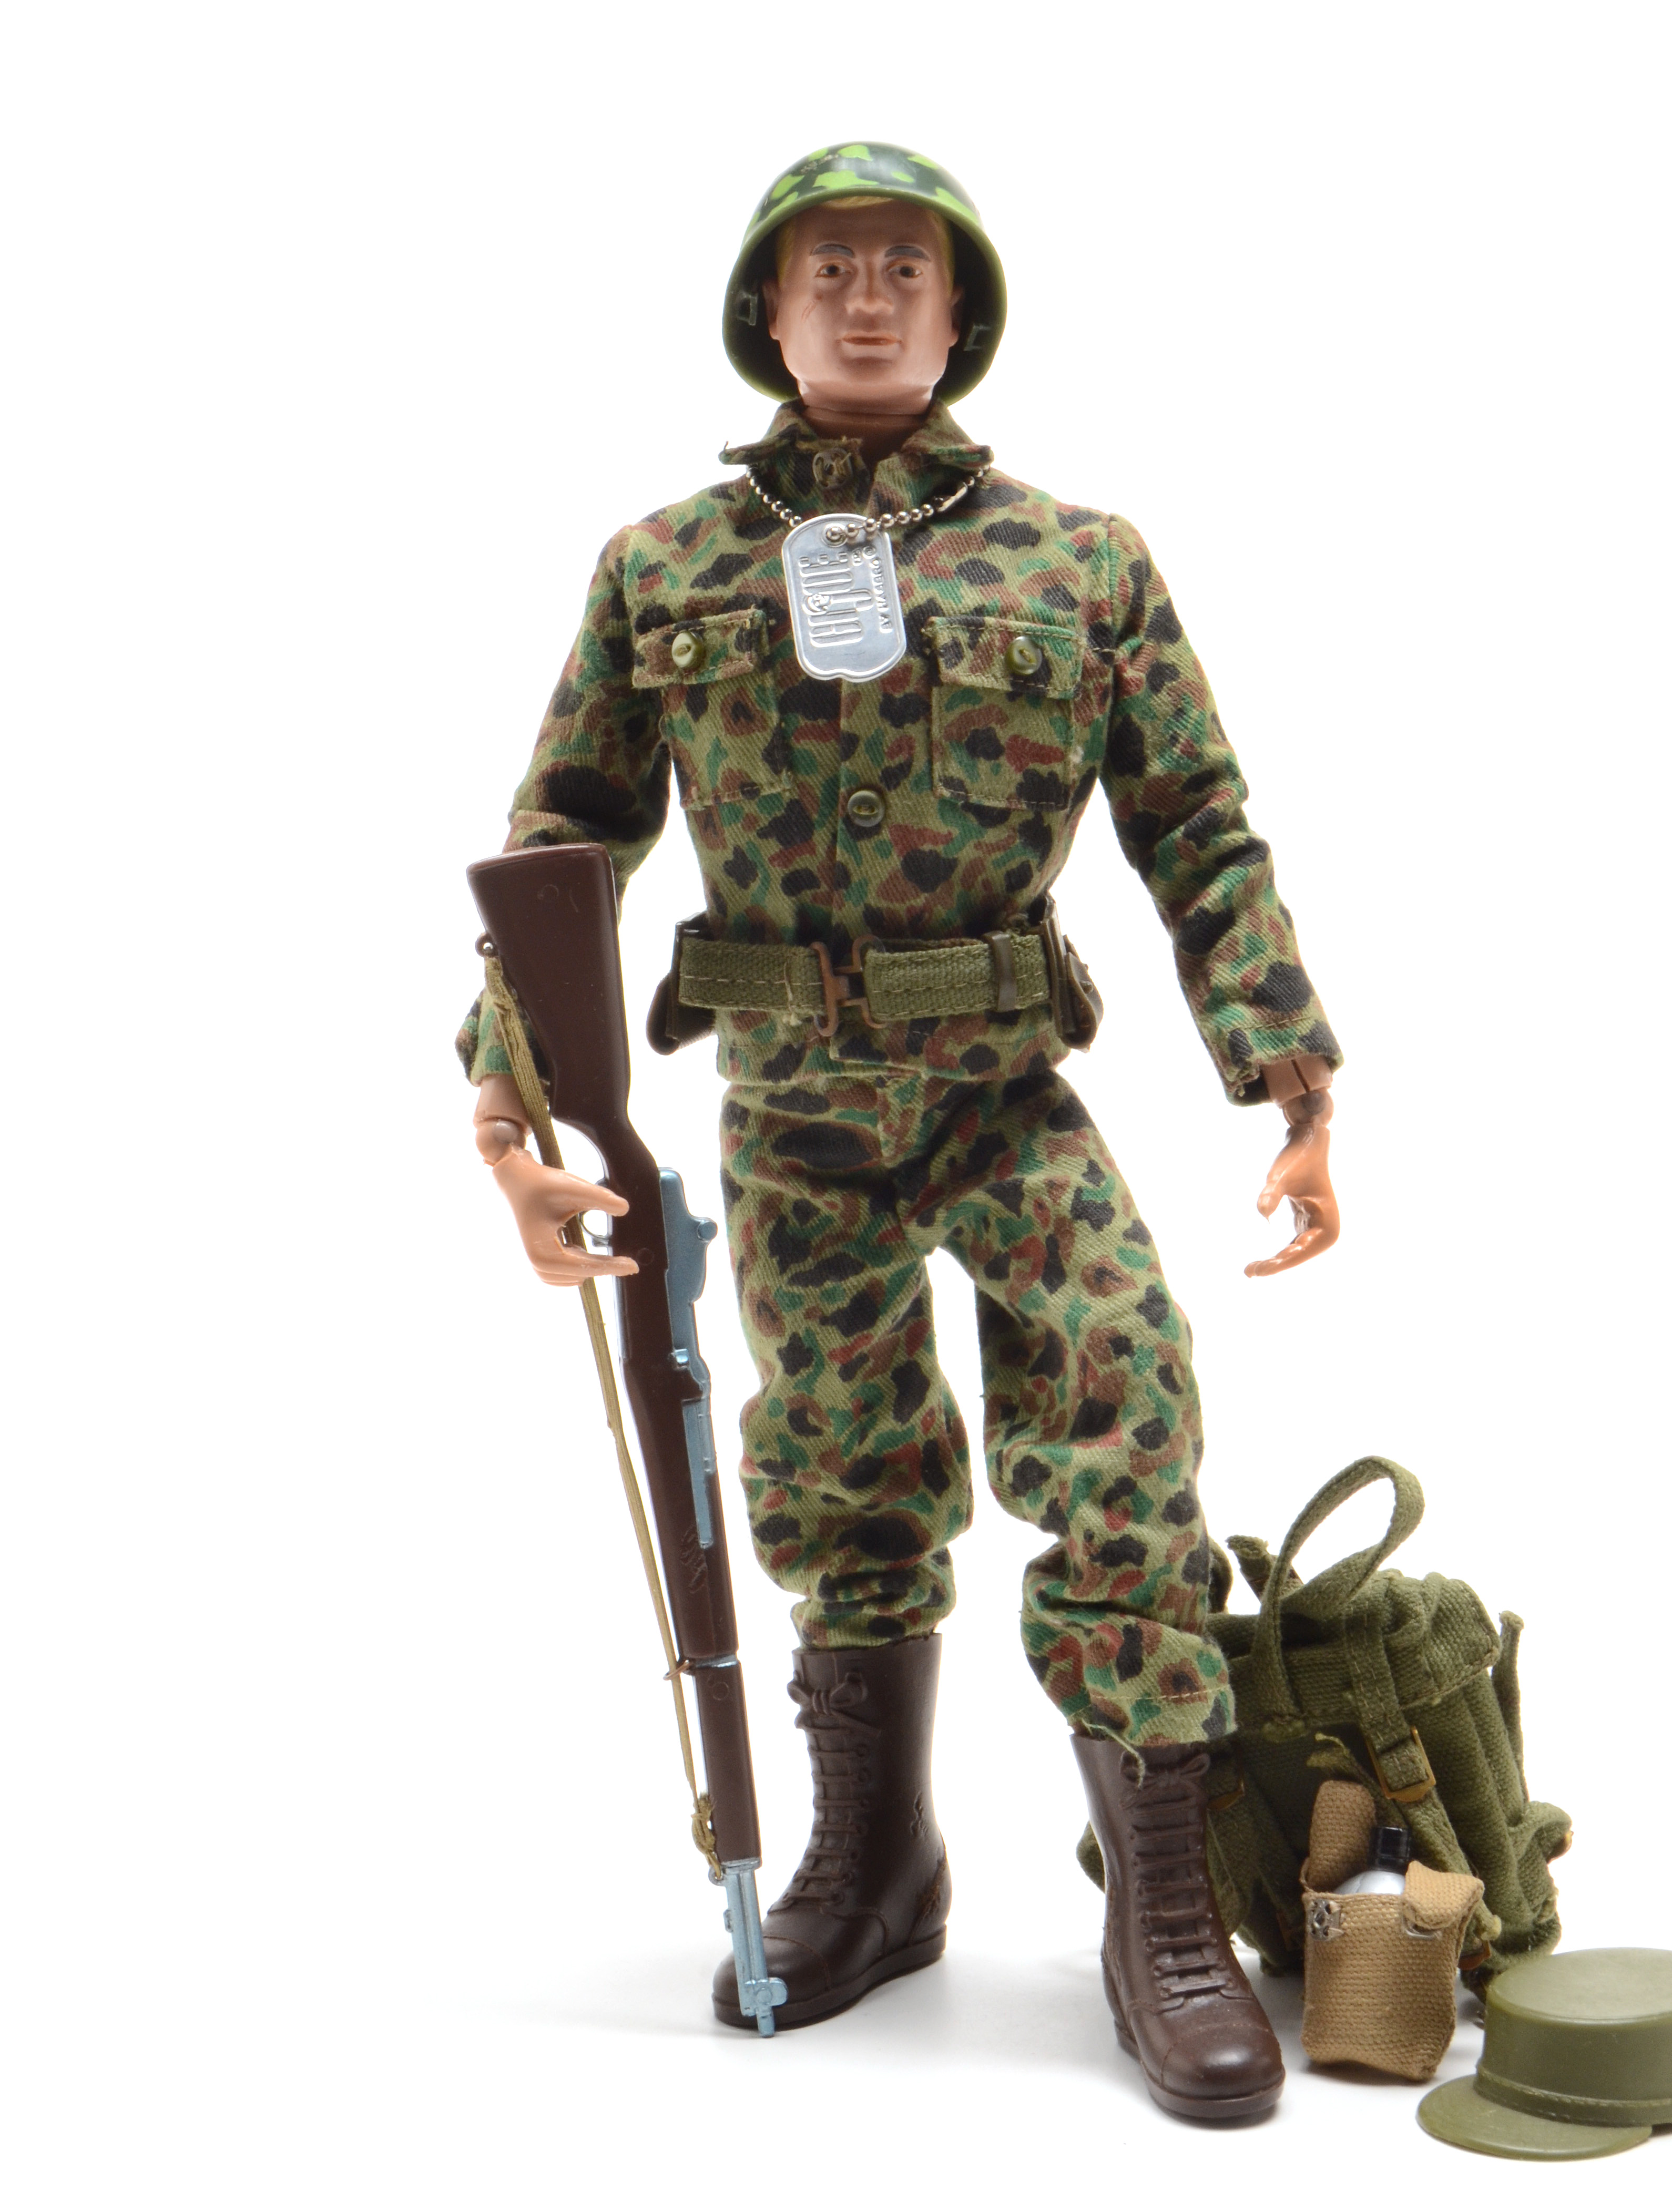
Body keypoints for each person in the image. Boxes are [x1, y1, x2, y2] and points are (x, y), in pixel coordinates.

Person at [462, 142, 1341, 2121]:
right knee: (839, 1474)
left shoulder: (1083, 563)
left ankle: (1166, 1912)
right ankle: (876, 1862)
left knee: (1126, 1413)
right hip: (794, 1116)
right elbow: (563, 841)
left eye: (906, 273)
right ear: (766, 315)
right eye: (829, 270)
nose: (867, 301)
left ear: (963, 317)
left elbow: (1198, 829)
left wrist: (1291, 1080)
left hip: (1007, 1099)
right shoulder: (667, 567)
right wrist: (510, 1109)